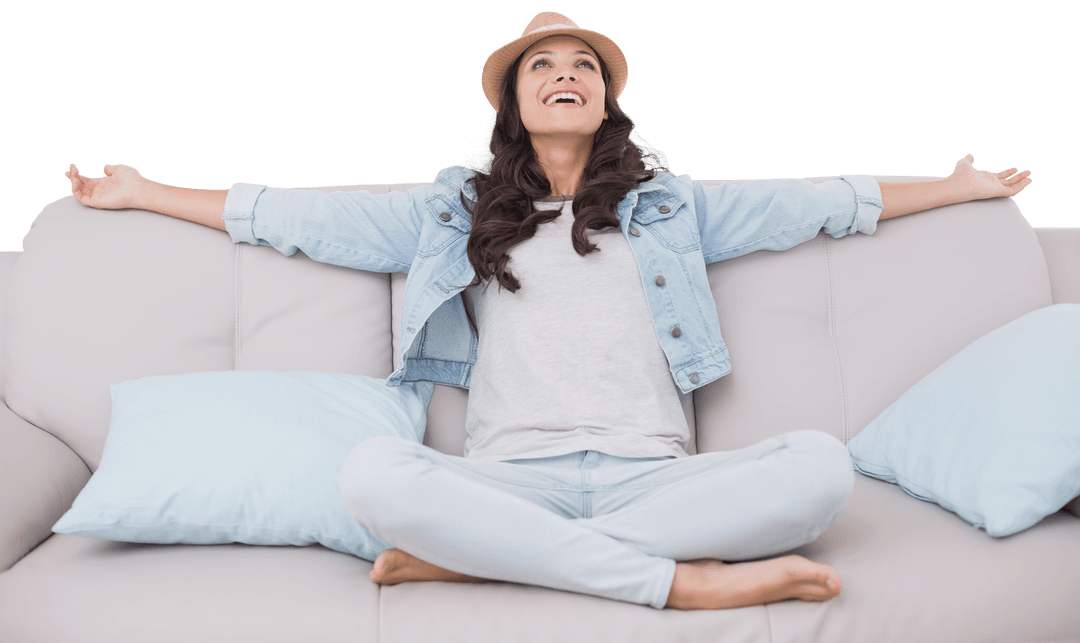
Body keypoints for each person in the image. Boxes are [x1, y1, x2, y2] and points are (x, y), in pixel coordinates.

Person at [63, 11, 1032, 612]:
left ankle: (485, 567)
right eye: (541, 66)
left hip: (655, 479)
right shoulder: (450, 208)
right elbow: (289, 216)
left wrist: (955, 188)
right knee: (370, 472)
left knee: (820, 466)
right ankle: (674, 584)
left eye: (583, 64)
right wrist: (148, 192)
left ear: (607, 100)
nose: (564, 72)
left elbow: (824, 197)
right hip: (505, 481)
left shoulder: (676, 205)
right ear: (514, 103)